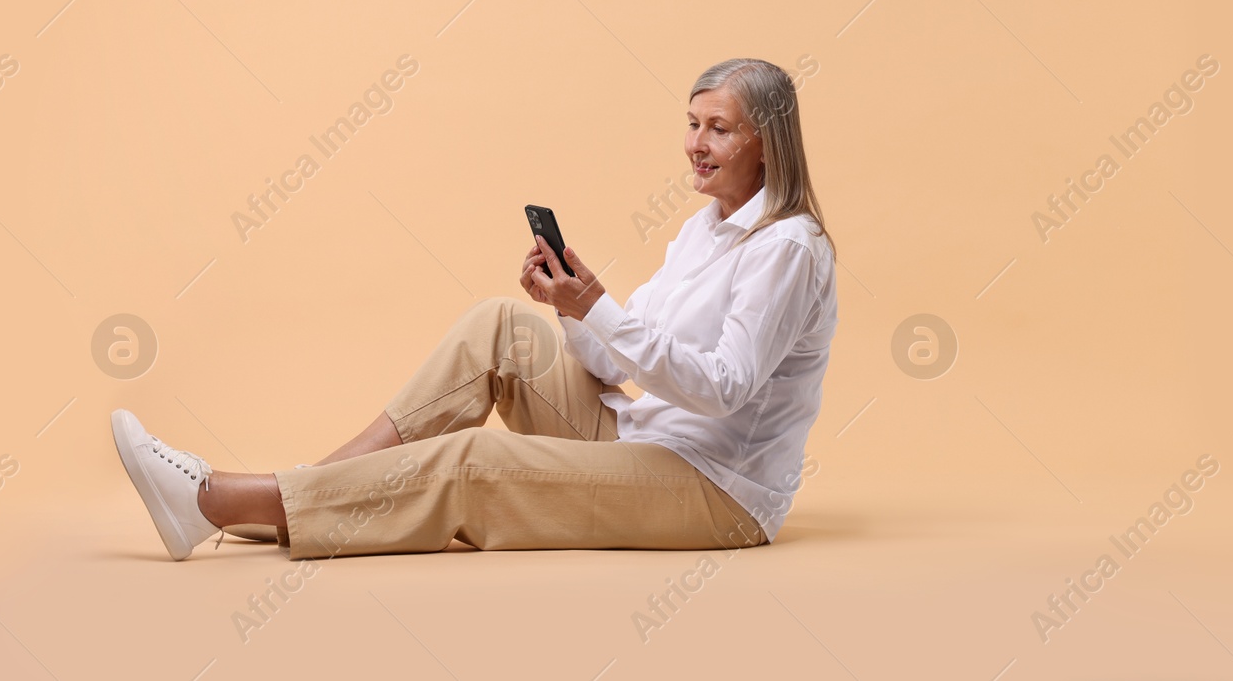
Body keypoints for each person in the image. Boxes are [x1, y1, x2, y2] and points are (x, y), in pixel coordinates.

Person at [111, 57, 838, 561]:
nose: (695, 146)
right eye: (691, 123)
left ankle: (214, 500)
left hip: (717, 491)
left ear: (766, 144)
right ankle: (301, 492)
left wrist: (603, 311)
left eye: (718, 128)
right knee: (501, 324)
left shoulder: (788, 248)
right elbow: (616, 358)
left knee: (474, 459)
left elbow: (725, 387)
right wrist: (571, 306)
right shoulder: (703, 229)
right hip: (643, 435)